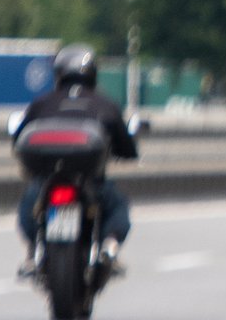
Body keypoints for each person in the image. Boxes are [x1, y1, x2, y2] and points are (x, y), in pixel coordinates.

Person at [14, 45, 138, 276]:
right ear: (92, 74)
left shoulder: (42, 103)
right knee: (117, 205)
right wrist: (127, 151)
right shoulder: (105, 104)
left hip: (47, 178)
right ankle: (109, 247)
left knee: (29, 203)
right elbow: (127, 147)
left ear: (59, 74)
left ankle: (33, 252)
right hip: (90, 181)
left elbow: (18, 137)